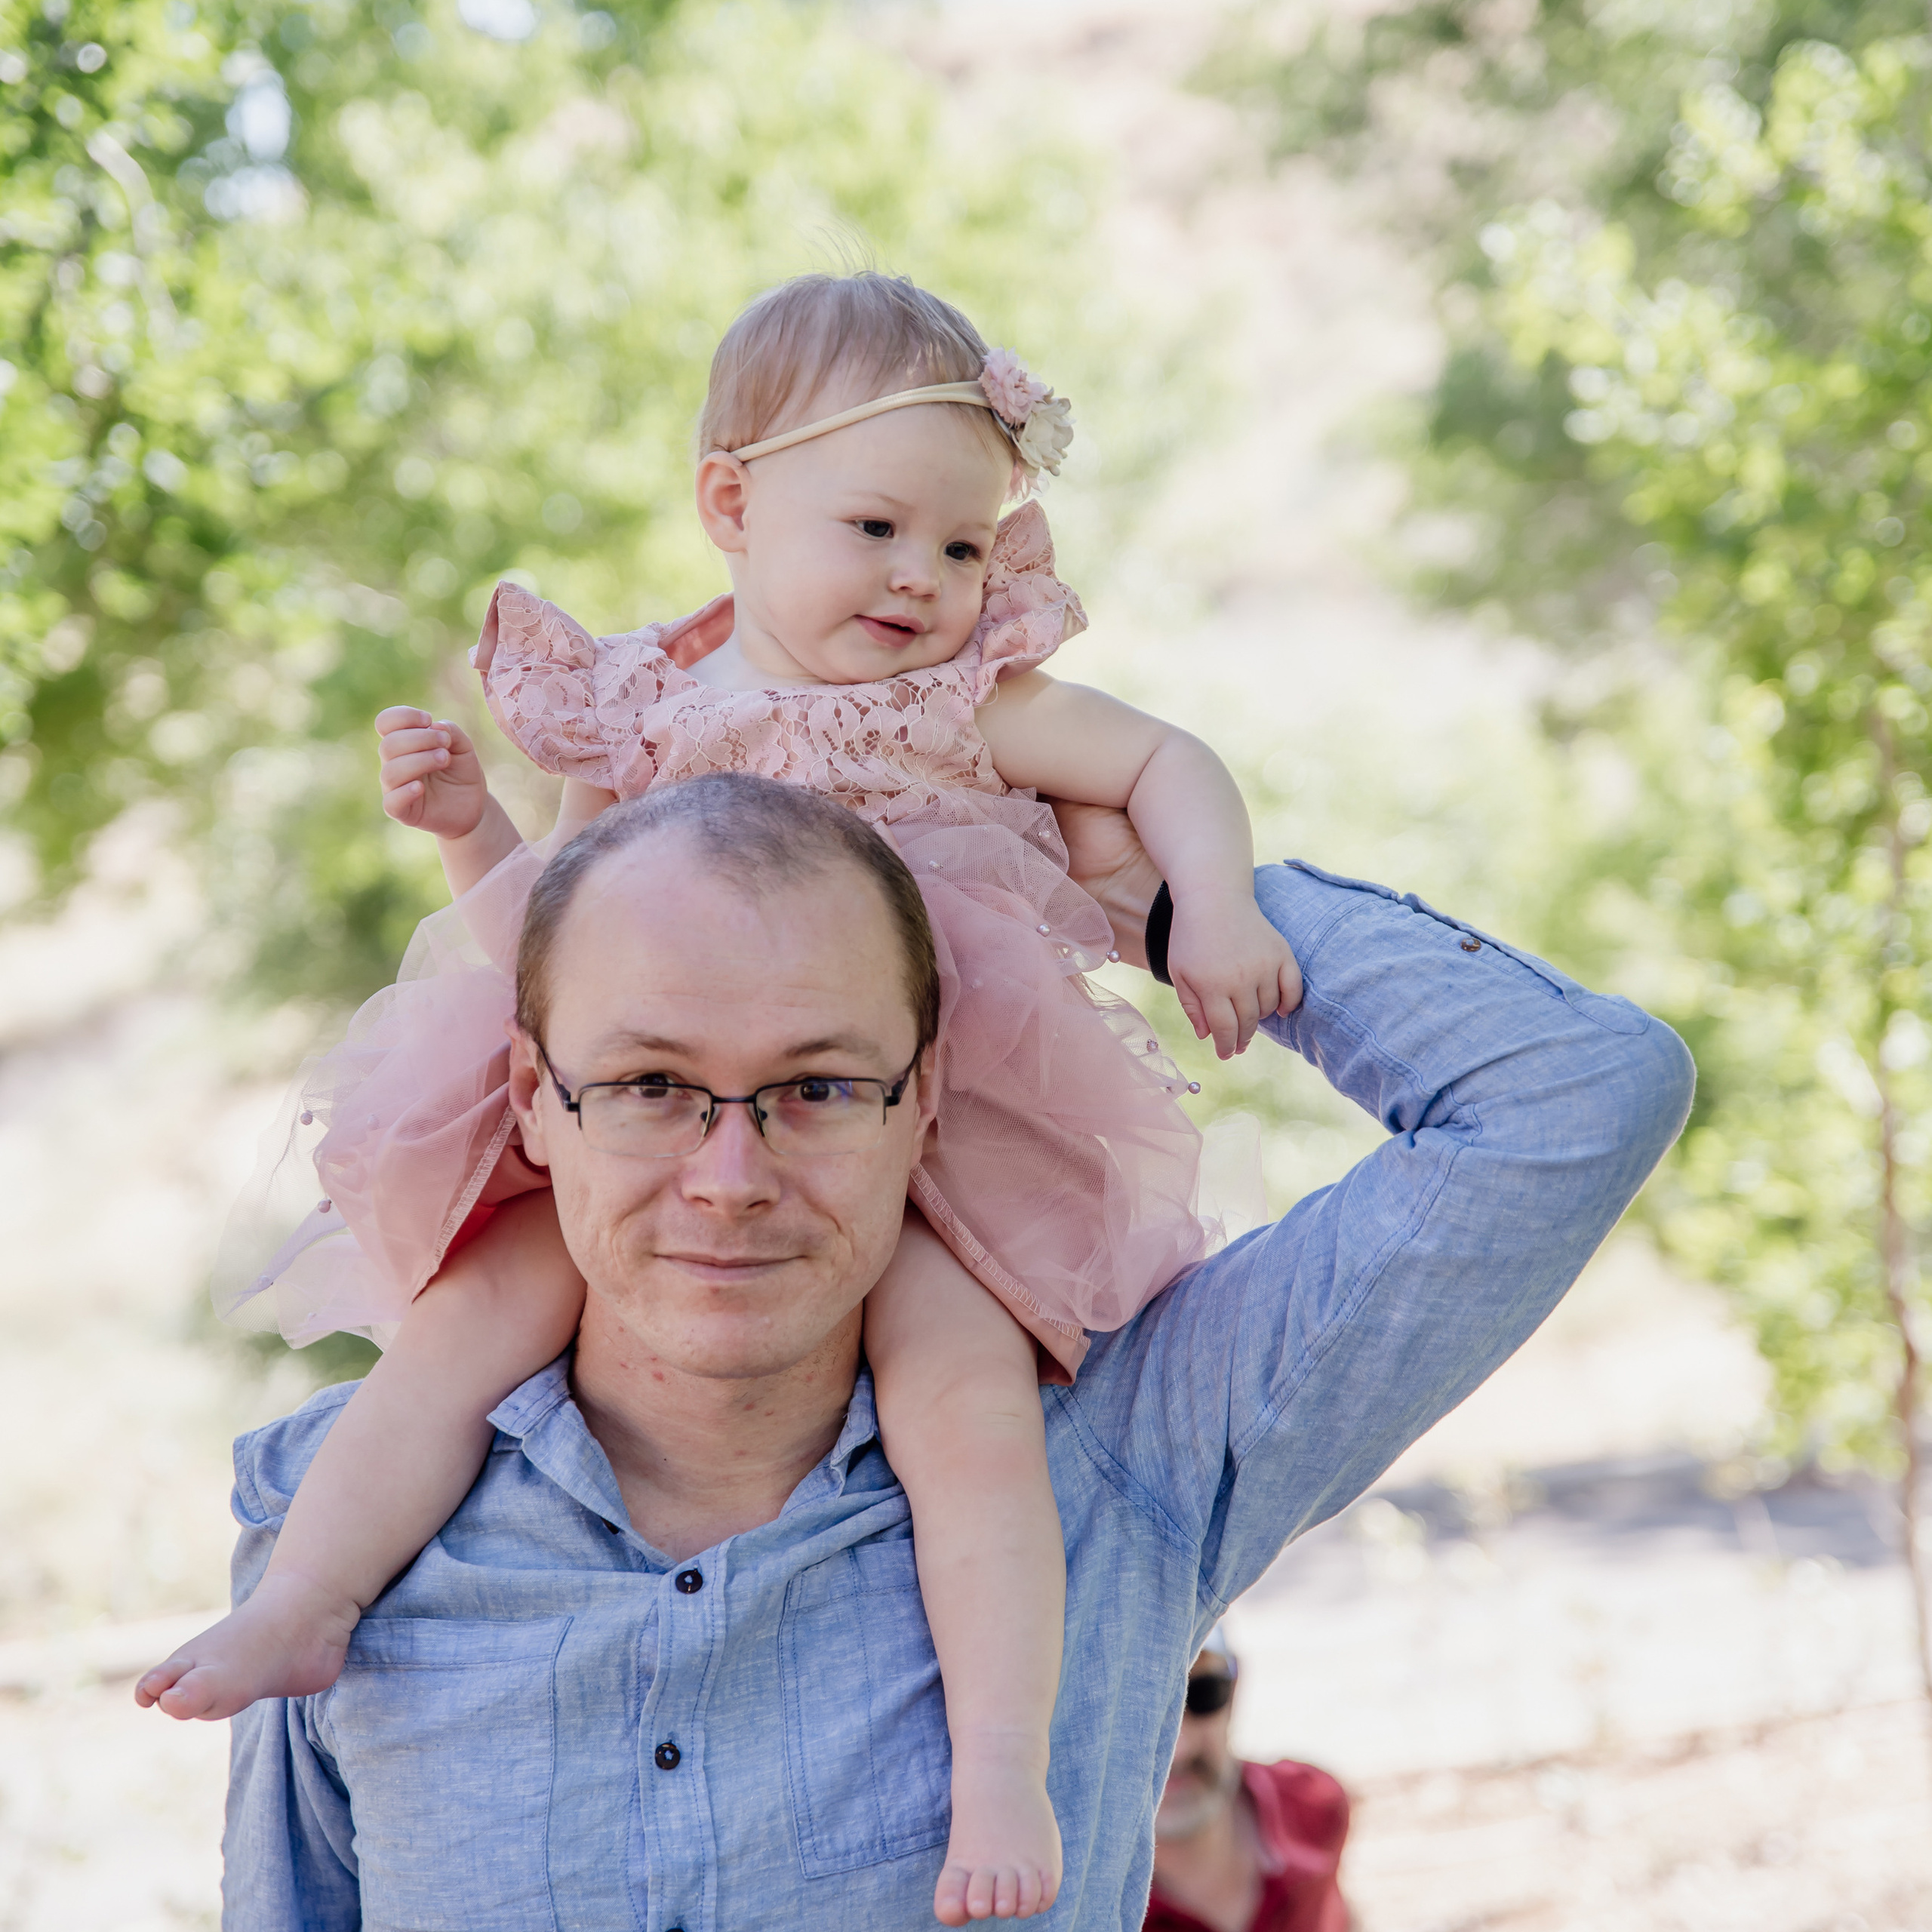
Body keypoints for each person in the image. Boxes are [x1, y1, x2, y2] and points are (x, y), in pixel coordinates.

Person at [144, 272, 1303, 1924]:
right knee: (469, 1319)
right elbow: (550, 962)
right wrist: (476, 830)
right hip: (672, 1132)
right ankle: (310, 1597)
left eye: (966, 546)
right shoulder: (636, 711)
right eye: (879, 526)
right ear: (731, 504)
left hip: (909, 1151)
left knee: (966, 1411)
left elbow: (1168, 762)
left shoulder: (968, 705)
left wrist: (1220, 901)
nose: (925, 576)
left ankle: (996, 1764)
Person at [211, 772, 1691, 1928]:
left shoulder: (1120, 1459)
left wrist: (1164, 899)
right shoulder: (333, 1532)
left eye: (818, 1085)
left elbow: (1573, 1095)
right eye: (653, 1082)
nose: (730, 1176)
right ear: (535, 1098)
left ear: (923, 1101)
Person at [1145, 1632, 1348, 1932]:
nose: (1179, 1749)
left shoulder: (1314, 1806)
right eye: (1140, 1714)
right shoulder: (1074, 1902)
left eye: (1203, 1694)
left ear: (1235, 1688)